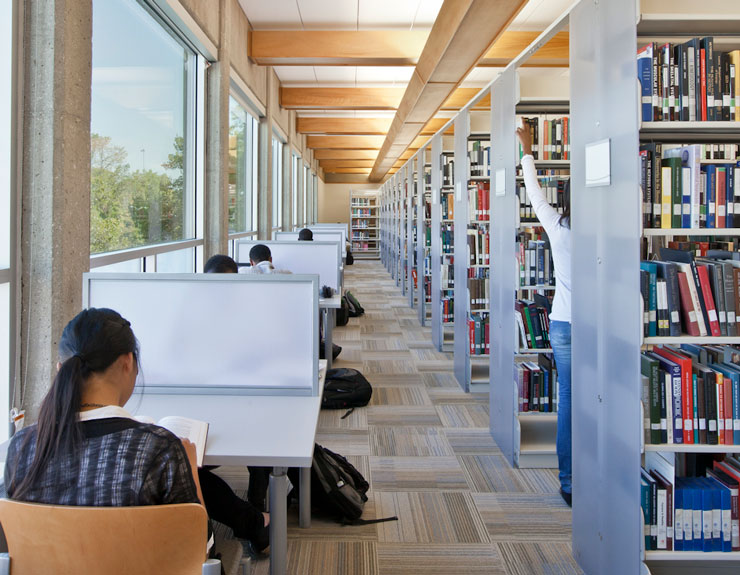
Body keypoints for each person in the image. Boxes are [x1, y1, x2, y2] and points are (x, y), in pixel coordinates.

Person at [516, 126, 572, 507]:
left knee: (568, 399)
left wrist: (527, 150)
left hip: (564, 325)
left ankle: (569, 482)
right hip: (603, 330)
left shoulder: (559, 228)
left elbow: (534, 193)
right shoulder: (613, 236)